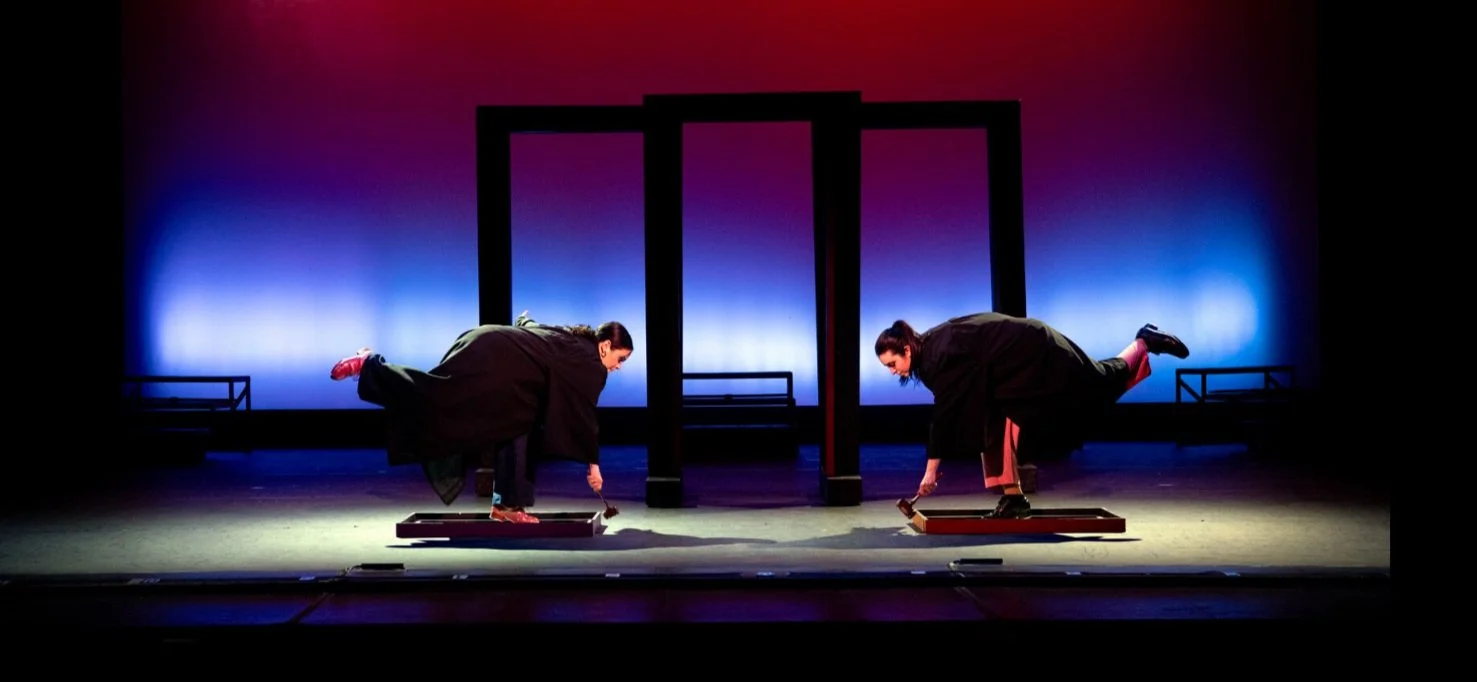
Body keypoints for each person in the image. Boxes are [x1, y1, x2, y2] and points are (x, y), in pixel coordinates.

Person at [874, 313, 1189, 519]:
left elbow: (943, 416)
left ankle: (1143, 342)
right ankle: (1013, 498)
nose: (892, 372)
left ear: (907, 350)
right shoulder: (930, 353)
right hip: (1014, 372)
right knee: (996, 420)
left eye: (892, 364)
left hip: (1037, 350)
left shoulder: (937, 356)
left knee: (1096, 381)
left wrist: (930, 473)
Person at [329, 311, 634, 523]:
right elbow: (584, 414)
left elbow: (535, 327)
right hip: (491, 358)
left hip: (492, 350)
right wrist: (593, 466)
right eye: (620, 358)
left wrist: (524, 320)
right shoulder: (591, 364)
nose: (618, 366)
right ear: (606, 346)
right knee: (436, 397)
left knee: (518, 422)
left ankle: (507, 505)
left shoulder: (574, 339)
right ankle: (370, 365)